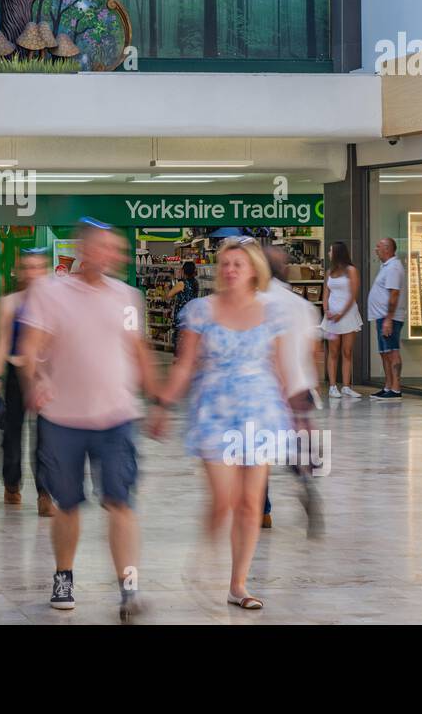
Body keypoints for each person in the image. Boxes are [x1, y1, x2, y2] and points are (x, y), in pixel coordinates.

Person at [19, 221, 158, 620]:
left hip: (117, 418)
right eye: (103, 248)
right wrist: (37, 378)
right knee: (67, 504)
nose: (111, 256)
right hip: (62, 418)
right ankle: (63, 575)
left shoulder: (128, 297)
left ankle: (129, 589)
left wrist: (159, 401)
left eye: (116, 250)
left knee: (121, 502)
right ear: (83, 249)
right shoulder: (50, 292)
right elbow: (31, 348)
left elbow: (137, 349)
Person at [153, 237, 292, 611]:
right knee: (224, 500)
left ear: (253, 271)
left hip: (259, 410)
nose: (230, 270)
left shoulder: (272, 313)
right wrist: (163, 402)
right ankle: (203, 559)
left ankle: (238, 584)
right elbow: (184, 363)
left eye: (238, 265)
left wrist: (292, 411)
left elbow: (278, 367)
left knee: (250, 504)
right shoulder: (201, 310)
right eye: (225, 264)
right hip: (215, 410)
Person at [265, 246, 325, 537]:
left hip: (269, 387)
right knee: (296, 444)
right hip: (300, 387)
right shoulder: (304, 305)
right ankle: (305, 481)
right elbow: (315, 350)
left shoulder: (258, 303)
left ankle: (261, 509)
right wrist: (314, 385)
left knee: (257, 448)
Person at [0, 248, 53, 514]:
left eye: (38, 267)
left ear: (45, 271)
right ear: (20, 271)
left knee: (47, 437)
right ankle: (12, 483)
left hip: (46, 375)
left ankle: (45, 494)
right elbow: (3, 342)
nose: (33, 272)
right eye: (28, 267)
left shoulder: (55, 303)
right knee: (12, 435)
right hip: (15, 374)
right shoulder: (10, 303)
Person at [321, 241, 363, 400]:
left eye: (330, 250)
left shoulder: (351, 270)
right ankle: (332, 386)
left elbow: (353, 295)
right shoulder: (329, 272)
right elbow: (325, 293)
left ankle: (346, 386)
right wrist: (327, 311)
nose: (328, 253)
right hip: (332, 318)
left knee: (347, 351)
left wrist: (341, 314)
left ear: (338, 252)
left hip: (348, 316)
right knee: (333, 352)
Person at [369, 237, 406, 400]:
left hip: (389, 318)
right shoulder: (385, 266)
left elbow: (394, 293)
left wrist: (389, 319)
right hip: (382, 316)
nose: (375, 249)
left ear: (387, 249)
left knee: (392, 351)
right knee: (385, 352)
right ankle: (388, 386)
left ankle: (396, 388)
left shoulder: (393, 268)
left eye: (378, 246)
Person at [167, 261, 202, 332]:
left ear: (183, 270)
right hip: (192, 315)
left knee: (179, 339)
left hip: (182, 316)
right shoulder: (195, 282)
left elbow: (168, 295)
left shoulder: (181, 284)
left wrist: (167, 287)